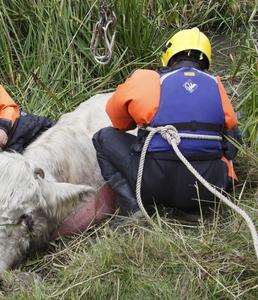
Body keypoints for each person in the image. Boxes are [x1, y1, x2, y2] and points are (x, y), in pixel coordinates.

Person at [92, 28, 241, 218]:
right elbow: (233, 139)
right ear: (206, 58)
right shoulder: (216, 85)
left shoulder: (149, 79)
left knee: (103, 137)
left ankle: (132, 207)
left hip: (156, 185)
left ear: (169, 54)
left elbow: (118, 122)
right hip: (206, 189)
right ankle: (194, 210)